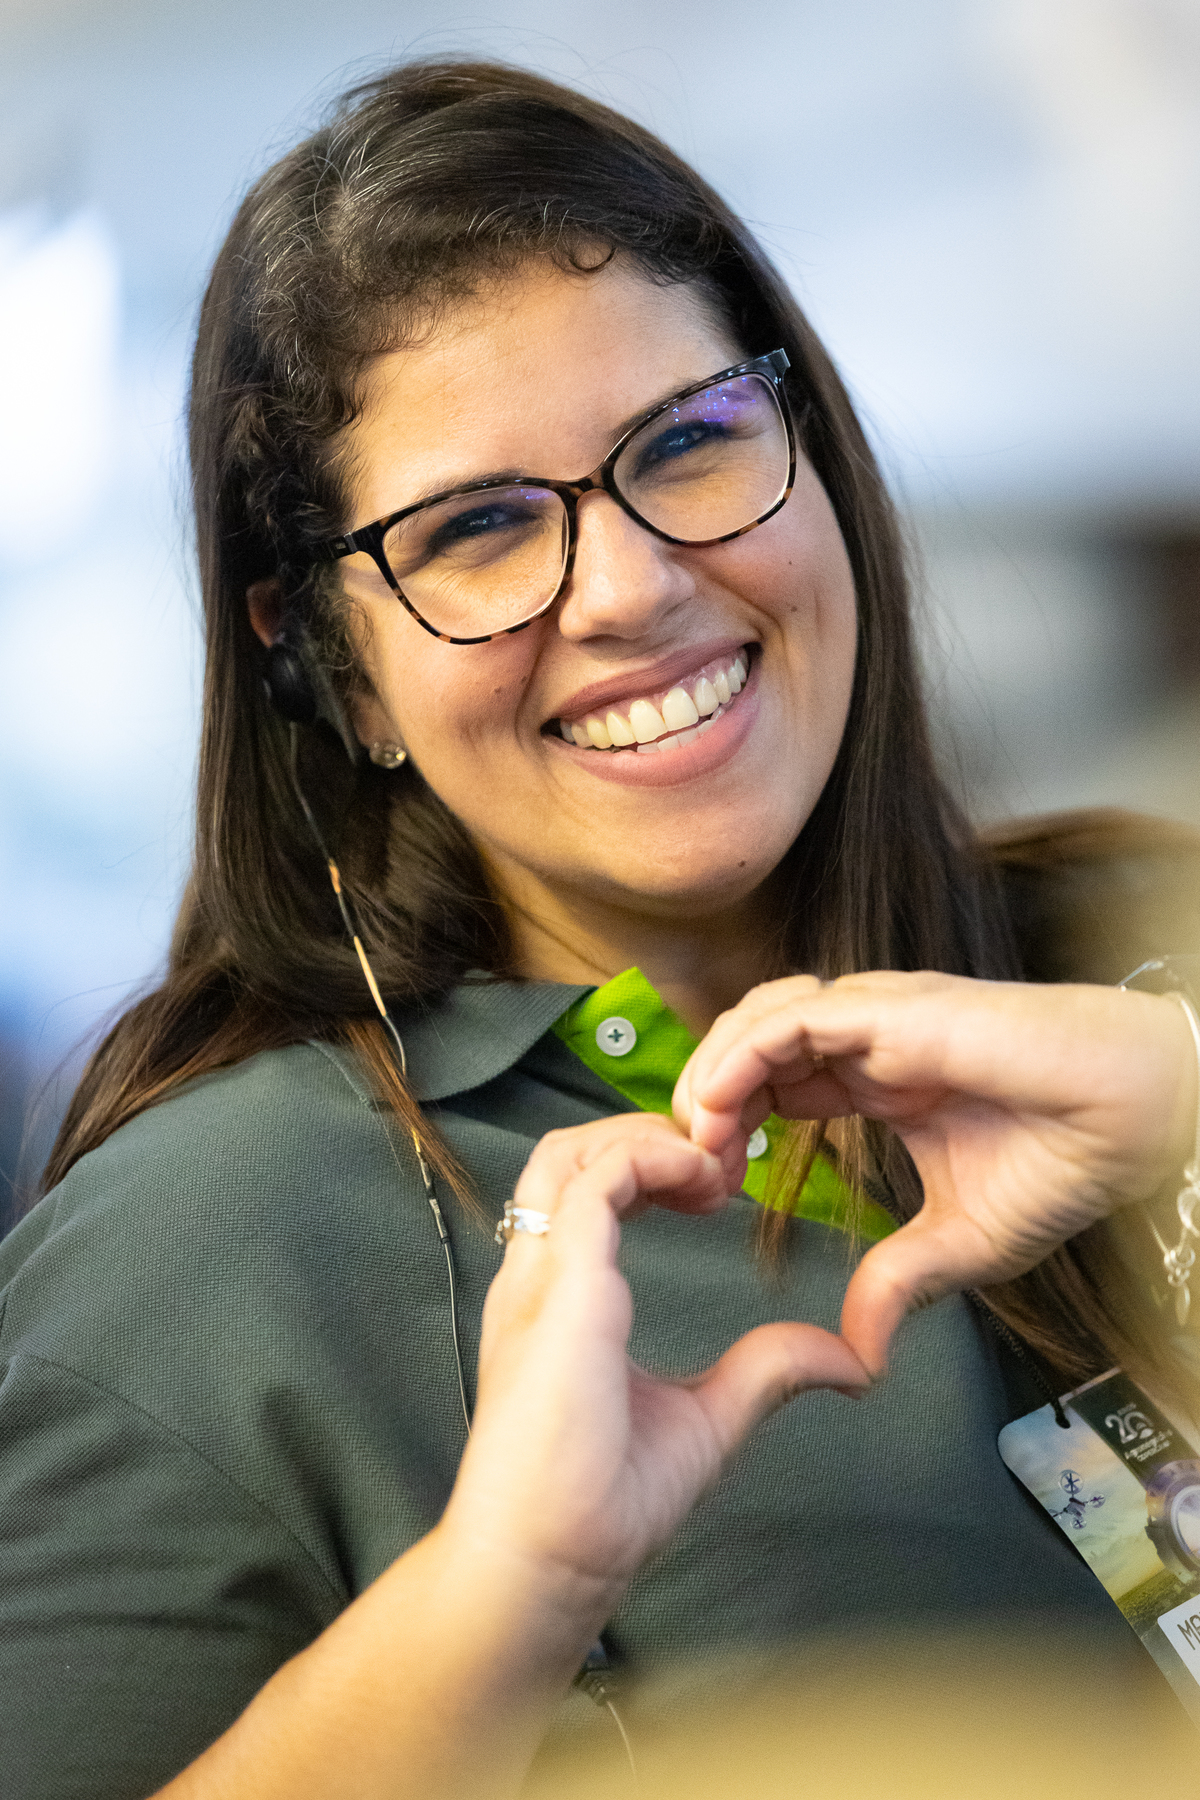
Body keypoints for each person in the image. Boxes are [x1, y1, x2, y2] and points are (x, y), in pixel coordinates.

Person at [1, 58, 1197, 1800]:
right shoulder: (211, 1245)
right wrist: (509, 1594)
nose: (633, 587)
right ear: (333, 668)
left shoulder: (1138, 950)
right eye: (479, 530)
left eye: (689, 442)